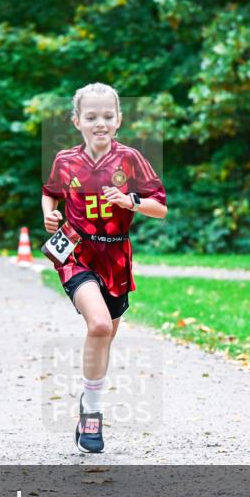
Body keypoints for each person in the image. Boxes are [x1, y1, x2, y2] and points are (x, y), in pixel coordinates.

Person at [41, 83, 167, 453]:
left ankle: (86, 401)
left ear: (119, 119)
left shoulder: (130, 159)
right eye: (92, 116)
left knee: (105, 336)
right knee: (97, 325)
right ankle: (94, 413)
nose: (100, 123)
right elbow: (50, 192)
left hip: (116, 258)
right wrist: (50, 215)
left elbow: (160, 207)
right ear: (77, 120)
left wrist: (131, 201)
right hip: (76, 254)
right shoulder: (65, 160)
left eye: (108, 116)